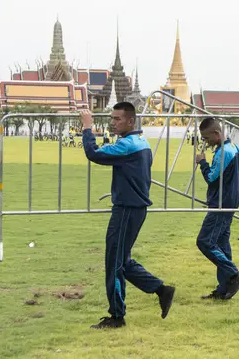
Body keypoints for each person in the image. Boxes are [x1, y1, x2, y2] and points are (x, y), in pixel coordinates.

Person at [80, 102, 175, 329]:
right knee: (122, 261)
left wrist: (87, 127)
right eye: (112, 119)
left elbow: (93, 153)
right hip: (134, 208)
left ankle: (117, 316)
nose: (113, 123)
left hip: (126, 210)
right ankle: (162, 290)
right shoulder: (141, 141)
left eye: (118, 119)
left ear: (131, 121)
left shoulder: (127, 145)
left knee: (114, 262)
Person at [195, 118, 239, 300]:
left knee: (205, 242)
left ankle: (234, 274)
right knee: (222, 246)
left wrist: (202, 162)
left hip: (221, 204)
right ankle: (224, 289)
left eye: (206, 138)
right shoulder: (234, 149)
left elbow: (211, 177)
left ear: (217, 134)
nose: (205, 142)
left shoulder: (224, 152)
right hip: (229, 203)